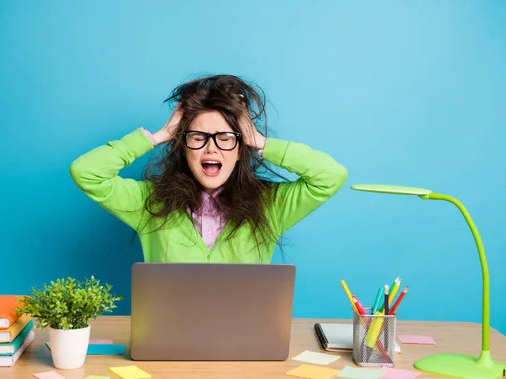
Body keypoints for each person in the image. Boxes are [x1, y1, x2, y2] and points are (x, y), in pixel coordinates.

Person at [69, 74, 348, 263]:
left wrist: (258, 140)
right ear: (183, 146)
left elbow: (330, 177)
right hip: (168, 340)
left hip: (244, 341)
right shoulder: (147, 203)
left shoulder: (271, 204)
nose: (211, 148)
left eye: (225, 138)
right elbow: (86, 172)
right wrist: (160, 135)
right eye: (198, 137)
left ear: (240, 149)